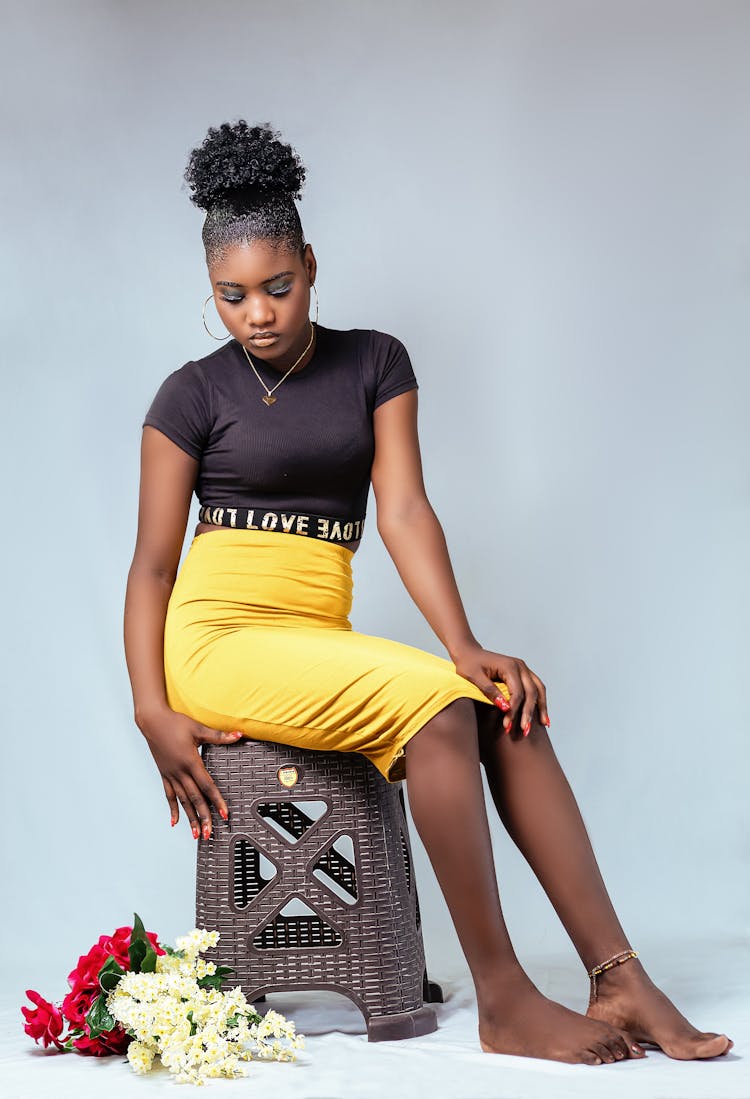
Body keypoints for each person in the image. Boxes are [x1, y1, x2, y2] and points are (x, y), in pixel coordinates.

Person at [123, 119, 732, 1067]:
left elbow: (404, 511)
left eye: (278, 286)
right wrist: (150, 706)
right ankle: (505, 999)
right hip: (219, 640)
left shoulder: (374, 362)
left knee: (492, 702)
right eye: (231, 296)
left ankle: (620, 976)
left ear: (312, 265)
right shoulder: (189, 395)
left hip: (310, 632)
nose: (259, 314)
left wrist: (465, 643)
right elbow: (152, 566)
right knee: (441, 717)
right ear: (212, 292)